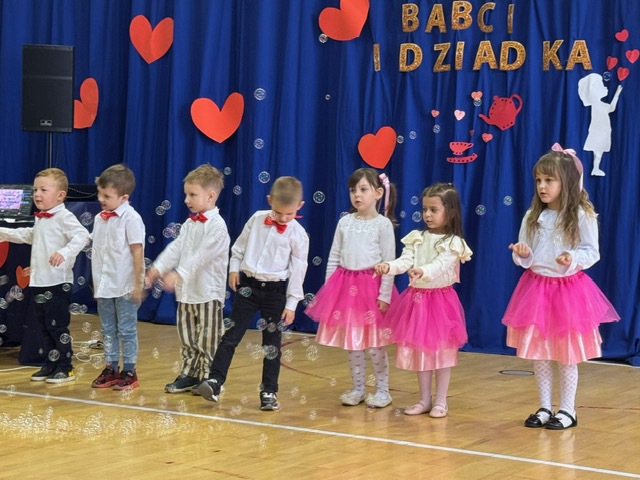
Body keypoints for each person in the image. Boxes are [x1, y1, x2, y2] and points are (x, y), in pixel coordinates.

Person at [503, 144, 620, 430]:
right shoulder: (533, 215)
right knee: (540, 353)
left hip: (568, 291)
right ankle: (545, 406)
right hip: (536, 290)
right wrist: (522, 253)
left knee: (566, 355)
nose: (542, 186)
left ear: (566, 182)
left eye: (549, 180)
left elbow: (592, 251)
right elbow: (527, 255)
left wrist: (572, 258)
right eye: (538, 180)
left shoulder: (582, 215)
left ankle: (568, 409)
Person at [196, 176, 309, 411]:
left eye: (289, 214)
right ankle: (215, 381)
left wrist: (291, 304)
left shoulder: (298, 234)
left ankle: (269, 391)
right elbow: (238, 247)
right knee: (231, 336)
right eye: (278, 212)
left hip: (275, 292)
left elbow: (299, 270)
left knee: (272, 345)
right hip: (249, 286)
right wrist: (234, 269)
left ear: (300, 206)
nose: (282, 218)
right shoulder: (257, 219)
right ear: (269, 200)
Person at [374, 183, 472, 418]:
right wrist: (389, 266)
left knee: (442, 353)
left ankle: (441, 401)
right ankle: (424, 399)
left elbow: (441, 264)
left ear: (450, 212)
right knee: (422, 353)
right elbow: (405, 260)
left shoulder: (453, 242)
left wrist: (423, 271)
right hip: (418, 302)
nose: (427, 214)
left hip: (440, 303)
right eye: (425, 209)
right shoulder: (417, 238)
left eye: (433, 210)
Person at [305, 168, 398, 408]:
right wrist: (329, 292)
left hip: (371, 289)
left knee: (375, 346)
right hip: (345, 288)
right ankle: (358, 388)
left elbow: (389, 263)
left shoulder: (383, 225)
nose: (357, 195)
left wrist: (384, 294)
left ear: (378, 193)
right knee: (353, 344)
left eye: (363, 189)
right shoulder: (345, 222)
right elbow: (334, 257)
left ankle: (383, 391)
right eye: (353, 190)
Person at [146, 164, 230, 394]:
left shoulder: (217, 226)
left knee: (208, 338)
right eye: (186, 194)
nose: (186, 200)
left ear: (210, 195)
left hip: (207, 293)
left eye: (192, 194)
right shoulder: (190, 224)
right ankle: (190, 373)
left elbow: (202, 256)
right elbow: (176, 248)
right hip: (186, 293)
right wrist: (158, 268)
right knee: (187, 337)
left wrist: (179, 273)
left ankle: (211, 379)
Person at [0, 168, 90, 383]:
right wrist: (3, 232)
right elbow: (30, 235)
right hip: (39, 282)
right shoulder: (41, 219)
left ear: (60, 195)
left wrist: (64, 252)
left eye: (43, 190)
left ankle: (65, 367)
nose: (37, 195)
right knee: (43, 326)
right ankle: (50, 363)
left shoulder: (64, 217)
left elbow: (82, 236)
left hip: (57, 283)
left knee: (57, 327)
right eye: (35, 190)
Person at [89, 164, 145, 390]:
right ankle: (111, 367)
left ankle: (130, 370)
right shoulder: (99, 218)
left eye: (106, 196)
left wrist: (138, 283)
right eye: (100, 193)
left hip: (124, 285)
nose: (100, 199)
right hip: (104, 285)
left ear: (124, 198)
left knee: (127, 329)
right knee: (107, 329)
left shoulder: (131, 218)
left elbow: (137, 251)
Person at [577, 73, 623, 176]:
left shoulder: (599, 105)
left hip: (602, 130)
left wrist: (617, 94)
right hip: (599, 130)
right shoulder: (597, 105)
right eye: (601, 86)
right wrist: (616, 95)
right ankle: (595, 168)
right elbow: (611, 108)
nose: (605, 88)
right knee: (598, 151)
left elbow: (611, 108)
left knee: (599, 151)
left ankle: (596, 168)